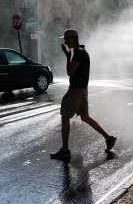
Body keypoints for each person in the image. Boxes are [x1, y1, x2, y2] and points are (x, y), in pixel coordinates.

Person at [50, 28, 117, 161]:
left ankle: (65, 151)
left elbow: (70, 72)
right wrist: (69, 55)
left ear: (72, 39)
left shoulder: (79, 53)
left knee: (65, 117)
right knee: (85, 117)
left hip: (76, 90)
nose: (65, 43)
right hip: (82, 90)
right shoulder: (81, 52)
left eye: (66, 40)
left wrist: (68, 57)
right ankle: (108, 138)